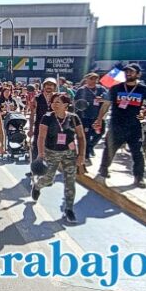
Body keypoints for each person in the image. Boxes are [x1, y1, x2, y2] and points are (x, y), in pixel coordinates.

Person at [93, 63, 146, 188]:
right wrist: (99, 119)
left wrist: (144, 114)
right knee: (109, 149)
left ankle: (139, 177)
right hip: (116, 125)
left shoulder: (144, 89)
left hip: (134, 127)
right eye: (126, 71)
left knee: (137, 153)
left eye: (131, 72)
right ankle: (103, 170)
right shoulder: (116, 88)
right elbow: (106, 104)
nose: (128, 73)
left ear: (138, 74)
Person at [32, 93, 87, 224]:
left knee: (70, 180)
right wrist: (40, 154)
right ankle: (38, 186)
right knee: (49, 178)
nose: (54, 104)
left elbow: (81, 137)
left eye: (58, 102)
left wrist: (81, 155)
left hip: (69, 153)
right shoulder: (47, 117)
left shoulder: (74, 118)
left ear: (66, 105)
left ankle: (69, 209)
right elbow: (41, 137)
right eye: (53, 102)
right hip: (51, 152)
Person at [74, 73, 108, 163]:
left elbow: (107, 100)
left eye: (95, 79)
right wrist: (82, 104)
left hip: (98, 116)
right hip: (85, 117)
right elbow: (75, 102)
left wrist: (102, 99)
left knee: (100, 133)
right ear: (86, 79)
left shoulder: (101, 89)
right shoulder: (81, 90)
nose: (93, 80)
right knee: (86, 136)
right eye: (91, 78)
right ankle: (86, 155)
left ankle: (90, 147)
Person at [28, 78, 57, 165]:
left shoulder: (57, 98)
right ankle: (35, 168)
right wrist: (30, 129)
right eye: (47, 84)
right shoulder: (37, 98)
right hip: (40, 126)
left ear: (54, 87)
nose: (49, 86)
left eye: (51, 85)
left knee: (52, 148)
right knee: (36, 148)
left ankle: (48, 168)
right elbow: (32, 114)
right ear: (44, 86)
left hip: (53, 127)